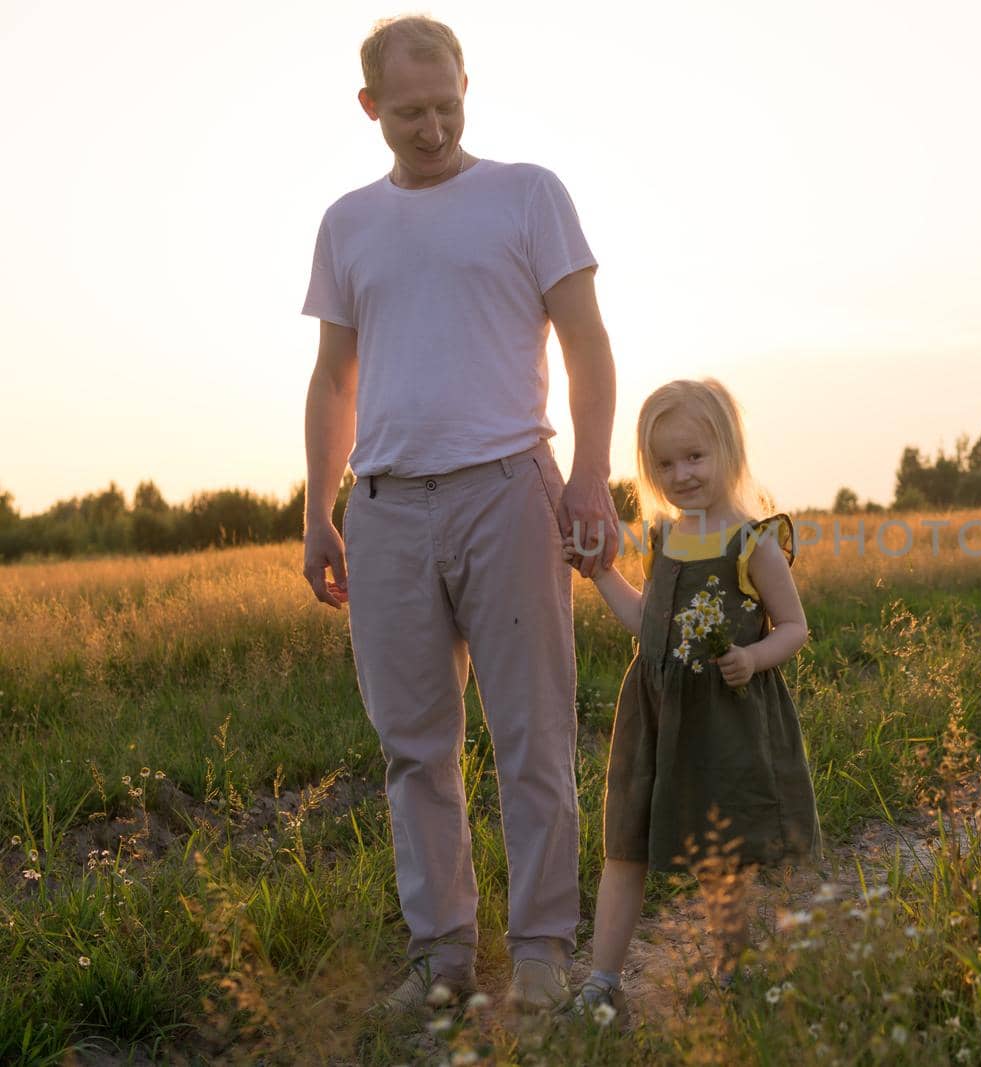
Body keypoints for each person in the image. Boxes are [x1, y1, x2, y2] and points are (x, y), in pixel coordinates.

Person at [299, 15, 620, 1016]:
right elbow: (331, 380)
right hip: (387, 506)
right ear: (370, 109)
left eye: (446, 105)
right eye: (408, 113)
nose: (431, 128)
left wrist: (593, 474)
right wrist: (318, 510)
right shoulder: (348, 222)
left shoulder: (528, 194)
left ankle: (536, 955)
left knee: (533, 737)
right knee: (414, 748)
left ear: (467, 87)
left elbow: (588, 349)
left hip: (507, 487)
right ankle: (442, 960)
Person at [562, 378, 821, 1024]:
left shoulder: (751, 541)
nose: (681, 474)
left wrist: (752, 658)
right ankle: (602, 979)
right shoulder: (665, 537)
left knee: (721, 851)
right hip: (654, 713)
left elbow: (795, 626)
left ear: (727, 449)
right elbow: (647, 625)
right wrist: (598, 573)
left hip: (723, 716)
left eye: (694, 457)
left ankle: (732, 968)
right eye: (664, 463)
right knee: (625, 839)